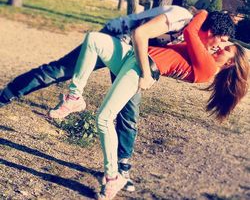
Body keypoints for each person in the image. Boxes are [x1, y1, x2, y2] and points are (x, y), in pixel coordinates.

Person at [48, 10, 249, 199]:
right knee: (93, 39)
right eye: (223, 42)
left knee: (103, 119)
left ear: (230, 63)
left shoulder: (208, 67)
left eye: (226, 48)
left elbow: (190, 31)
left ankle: (112, 177)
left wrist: (205, 13)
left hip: (141, 69)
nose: (221, 46)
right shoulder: (204, 55)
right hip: (135, 55)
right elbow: (194, 38)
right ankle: (75, 97)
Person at [0, 5, 193, 191]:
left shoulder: (191, 40)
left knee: (129, 110)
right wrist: (146, 73)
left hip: (132, 57)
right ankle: (6, 96)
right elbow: (140, 33)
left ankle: (122, 169)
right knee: (57, 71)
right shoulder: (181, 16)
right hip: (115, 38)